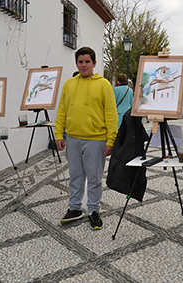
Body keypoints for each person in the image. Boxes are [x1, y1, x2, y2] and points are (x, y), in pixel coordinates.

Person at [55, 46, 118, 230]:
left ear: (94, 63)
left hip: (96, 140)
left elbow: (111, 115)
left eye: (87, 62)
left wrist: (110, 140)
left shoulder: (104, 85)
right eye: (80, 62)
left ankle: (94, 210)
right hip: (73, 138)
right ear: (76, 63)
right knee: (75, 176)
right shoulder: (68, 84)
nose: (84, 65)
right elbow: (61, 111)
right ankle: (75, 208)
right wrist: (59, 134)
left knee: (94, 177)